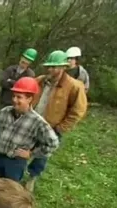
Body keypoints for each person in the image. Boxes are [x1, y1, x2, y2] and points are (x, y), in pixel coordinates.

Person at [25, 50, 87, 192]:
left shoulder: (74, 86)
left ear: (63, 67)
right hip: (32, 122)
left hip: (51, 127)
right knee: (25, 148)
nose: (50, 69)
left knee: (42, 154)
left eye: (54, 67)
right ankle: (17, 172)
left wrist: (60, 128)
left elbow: (78, 110)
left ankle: (32, 177)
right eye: (49, 66)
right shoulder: (40, 80)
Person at [0, 77, 60, 182]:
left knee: (9, 191)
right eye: (13, 96)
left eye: (19, 97)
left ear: (29, 99)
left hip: (15, 162)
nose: (14, 100)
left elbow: (53, 143)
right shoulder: (4, 112)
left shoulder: (37, 121)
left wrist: (31, 153)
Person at [0, 48, 37, 144]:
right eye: (24, 58)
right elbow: (2, 82)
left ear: (30, 62)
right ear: (21, 57)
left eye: (28, 60)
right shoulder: (10, 69)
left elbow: (27, 90)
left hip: (18, 103)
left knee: (12, 123)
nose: (25, 61)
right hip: (5, 99)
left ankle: (6, 141)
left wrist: (11, 82)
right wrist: (17, 84)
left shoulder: (30, 75)